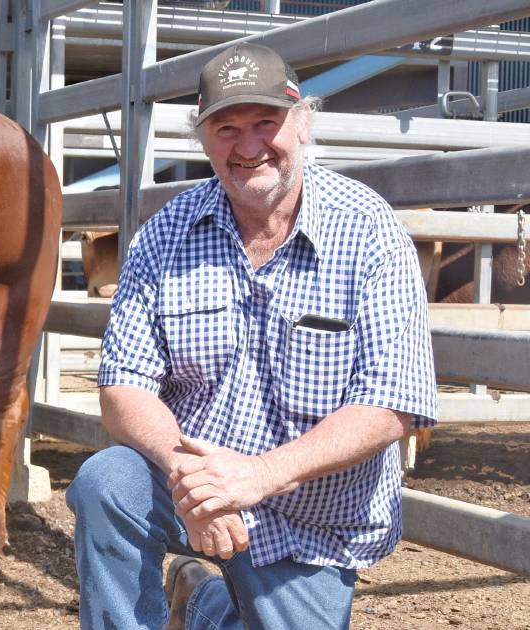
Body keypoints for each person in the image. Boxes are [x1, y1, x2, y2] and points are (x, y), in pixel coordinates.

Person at [66, 42, 437, 630]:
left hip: (310, 513)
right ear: (203, 137)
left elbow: (392, 404)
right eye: (226, 127)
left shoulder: (369, 230)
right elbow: (122, 388)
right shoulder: (166, 235)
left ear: (303, 123)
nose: (248, 146)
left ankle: (203, 602)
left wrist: (255, 477)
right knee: (107, 482)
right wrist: (195, 482)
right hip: (190, 485)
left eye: (267, 122)